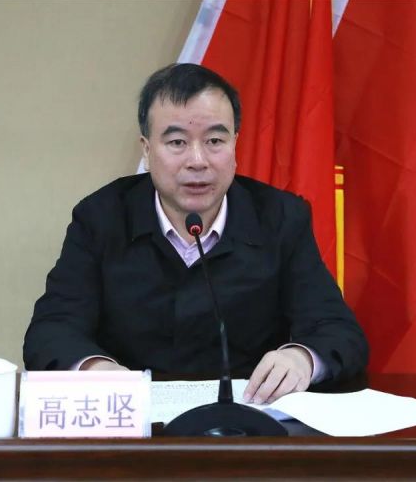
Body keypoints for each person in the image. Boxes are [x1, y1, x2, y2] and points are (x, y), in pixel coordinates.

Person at [24, 63, 368, 404]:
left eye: (215, 140)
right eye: (177, 142)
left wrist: (301, 358)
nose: (198, 160)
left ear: (235, 144)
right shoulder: (101, 218)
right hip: (135, 422)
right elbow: (52, 330)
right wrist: (94, 369)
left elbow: (338, 332)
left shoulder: (280, 218)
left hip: (246, 422)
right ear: (147, 150)